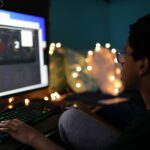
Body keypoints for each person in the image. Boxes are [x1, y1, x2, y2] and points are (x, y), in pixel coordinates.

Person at [0, 13, 150, 150]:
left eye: (124, 54)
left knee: (69, 119)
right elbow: (125, 140)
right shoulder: (139, 129)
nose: (121, 61)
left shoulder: (144, 128)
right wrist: (89, 114)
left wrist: (31, 136)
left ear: (142, 65)